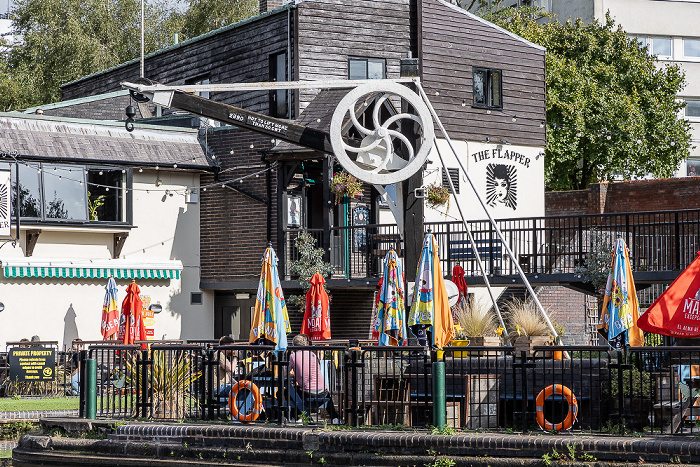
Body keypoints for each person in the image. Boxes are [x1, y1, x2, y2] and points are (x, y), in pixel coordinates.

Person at [288, 334, 339, 423]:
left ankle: (297, 417)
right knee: (325, 392)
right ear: (305, 345)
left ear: (293, 346)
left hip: (308, 393)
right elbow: (316, 369)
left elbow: (285, 373)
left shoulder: (293, 356)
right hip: (323, 392)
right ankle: (335, 418)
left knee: (290, 391)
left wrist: (293, 375)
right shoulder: (312, 355)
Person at [217, 335, 239, 399]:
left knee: (244, 389)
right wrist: (236, 357)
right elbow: (231, 369)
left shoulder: (223, 356)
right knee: (242, 391)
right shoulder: (219, 355)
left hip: (223, 386)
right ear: (226, 346)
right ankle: (238, 407)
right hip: (219, 388)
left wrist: (240, 384)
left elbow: (228, 377)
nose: (233, 349)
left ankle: (237, 407)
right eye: (232, 346)